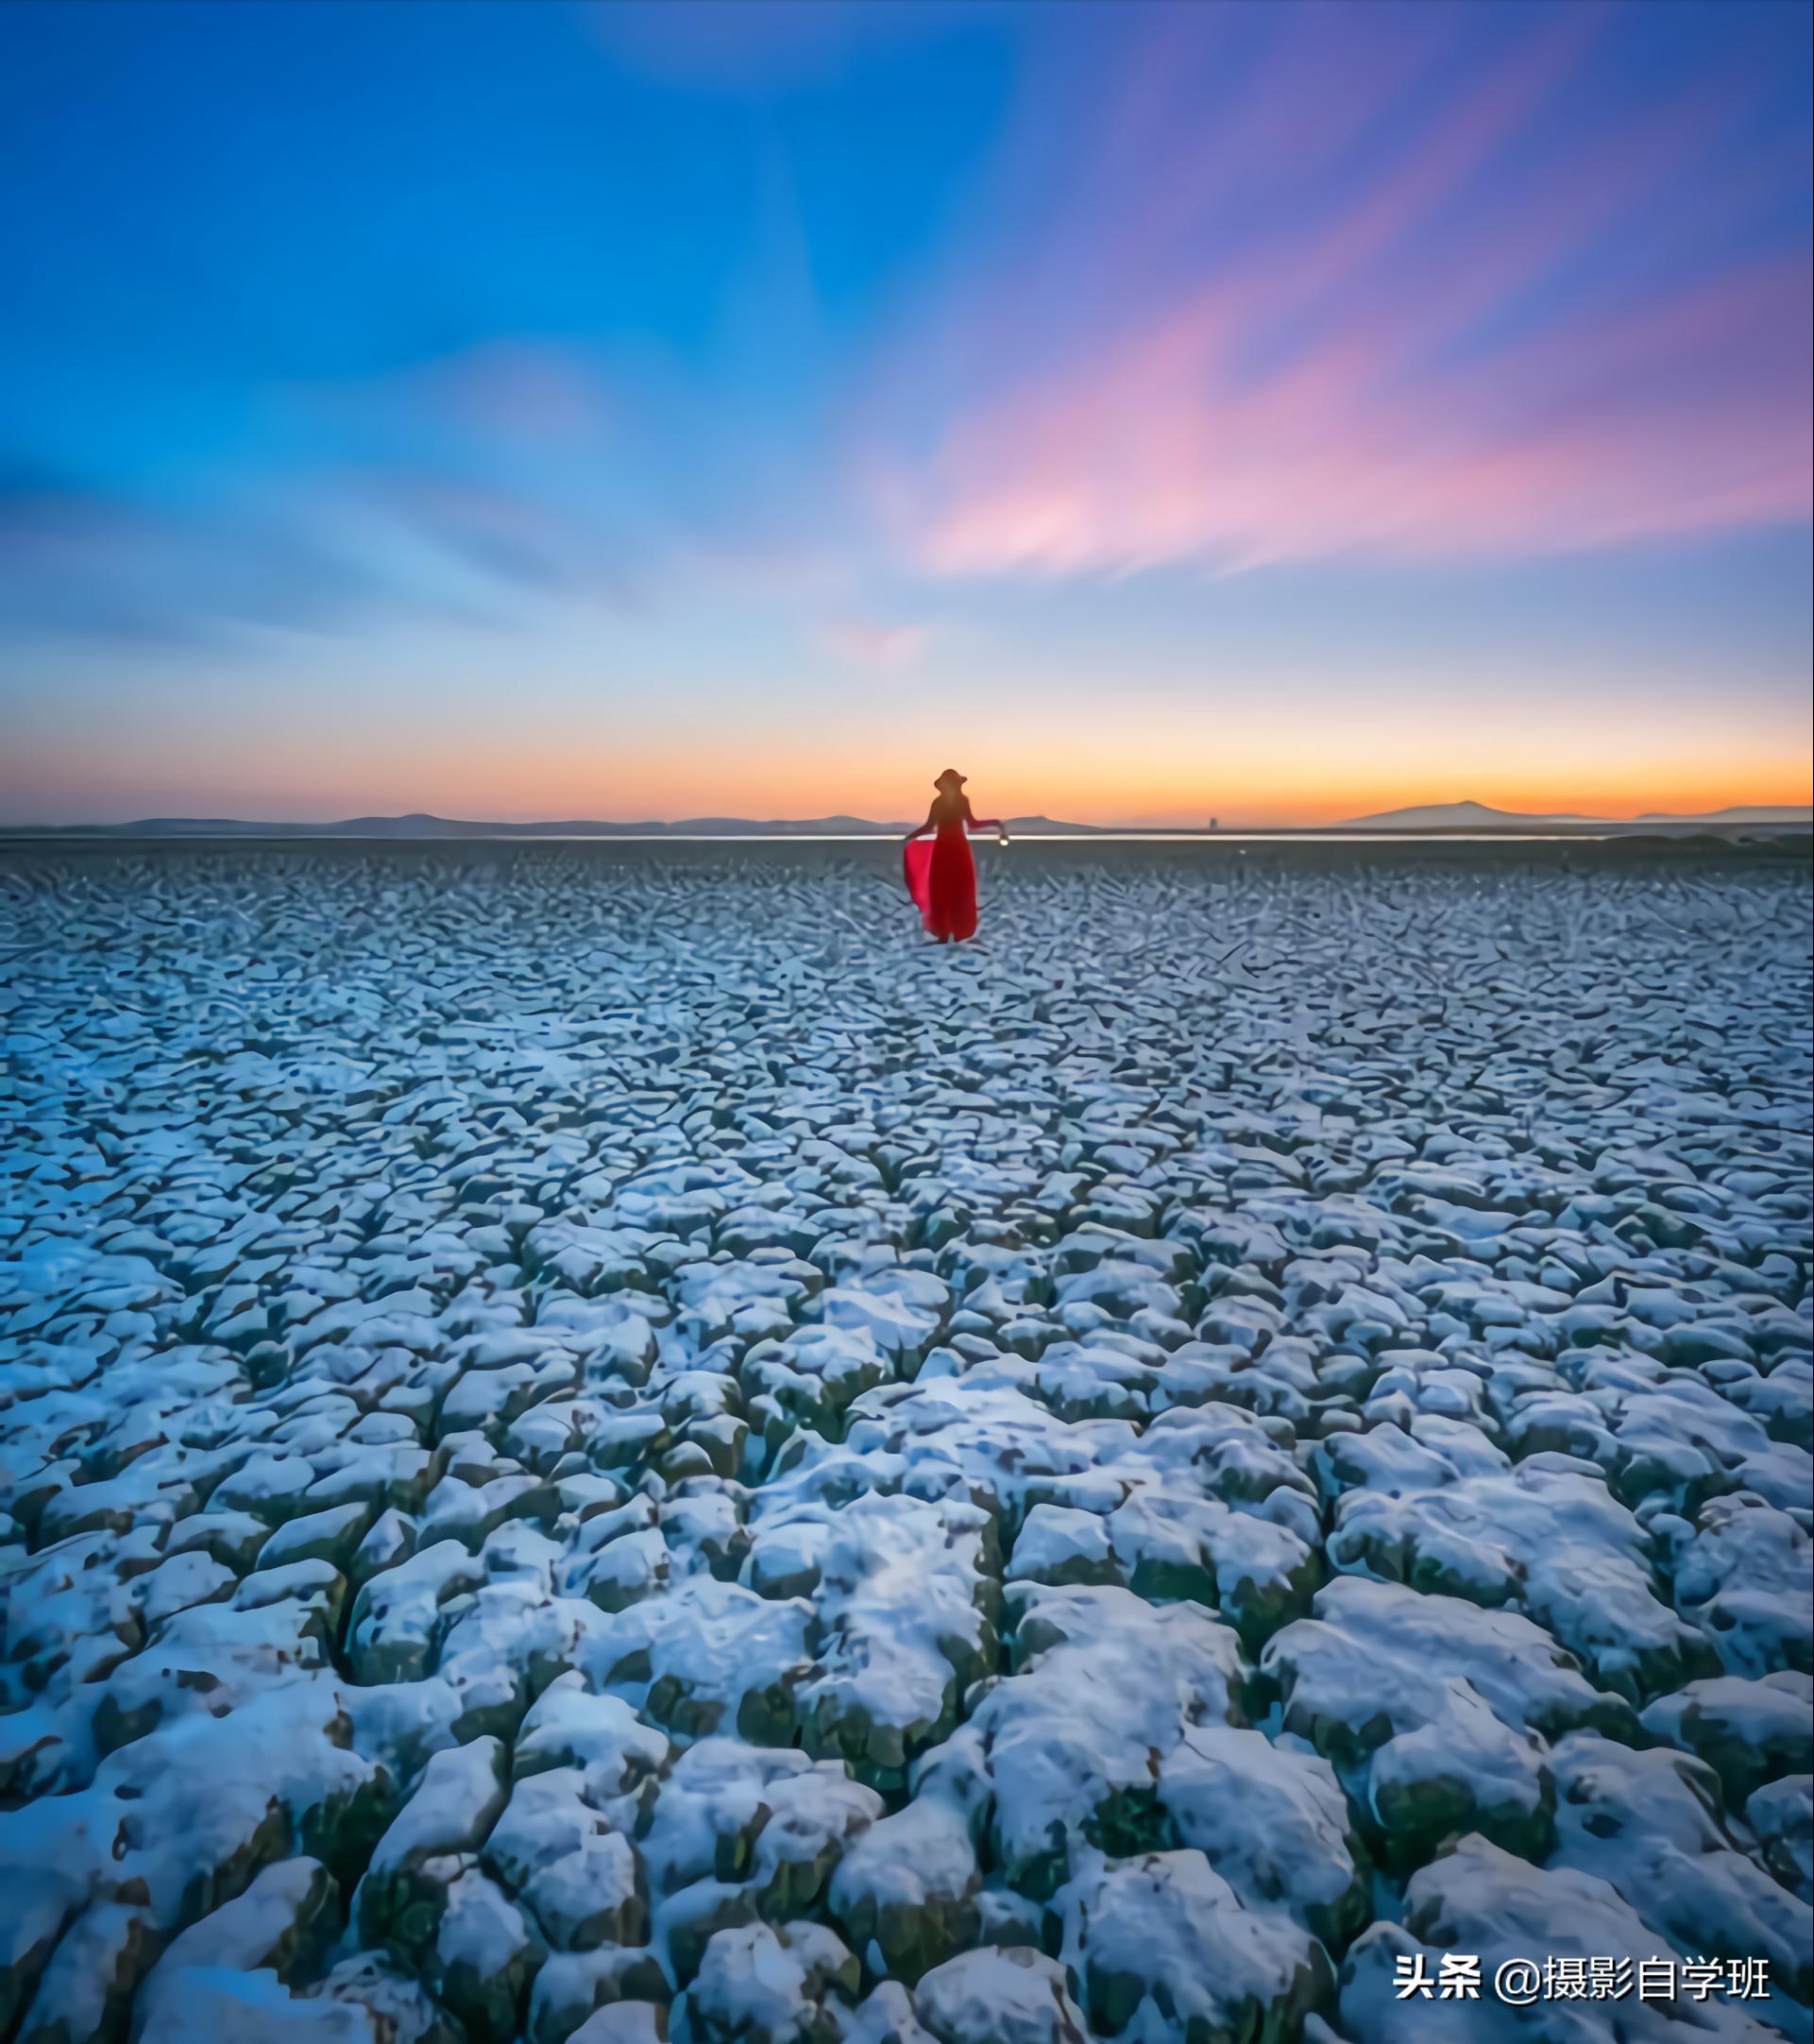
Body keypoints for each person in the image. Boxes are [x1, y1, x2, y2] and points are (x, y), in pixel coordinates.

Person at [903, 769, 1008, 943]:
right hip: (949, 849)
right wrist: (912, 836)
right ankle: (946, 933)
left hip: (953, 849)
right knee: (943, 890)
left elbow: (970, 824)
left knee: (958, 890)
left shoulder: (956, 801)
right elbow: (930, 826)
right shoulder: (942, 802)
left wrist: (996, 824)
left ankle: (954, 933)